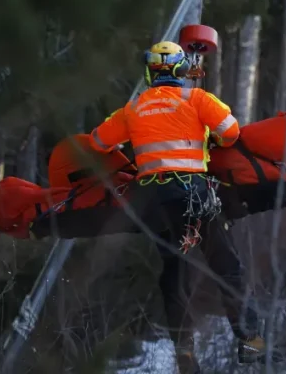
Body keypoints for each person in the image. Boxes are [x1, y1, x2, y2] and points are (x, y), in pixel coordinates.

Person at [88, 40, 264, 373]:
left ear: (150, 71)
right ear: (182, 70)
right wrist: (204, 134)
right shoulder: (196, 98)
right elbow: (231, 132)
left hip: (156, 203)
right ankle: (251, 342)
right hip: (195, 196)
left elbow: (98, 142)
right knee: (227, 267)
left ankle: (185, 356)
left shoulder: (133, 108)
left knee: (174, 275)